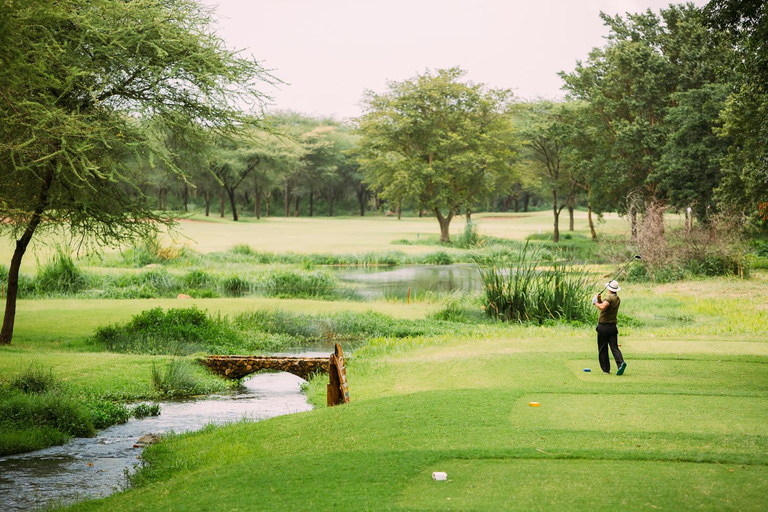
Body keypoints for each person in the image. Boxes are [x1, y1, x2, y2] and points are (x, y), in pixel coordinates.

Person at [592, 280, 627, 375]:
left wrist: (595, 303)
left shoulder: (609, 297)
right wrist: (599, 299)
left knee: (603, 348)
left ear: (609, 288)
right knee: (614, 347)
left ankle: (605, 369)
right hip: (612, 327)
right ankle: (621, 363)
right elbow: (605, 305)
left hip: (603, 327)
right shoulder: (617, 298)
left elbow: (603, 307)